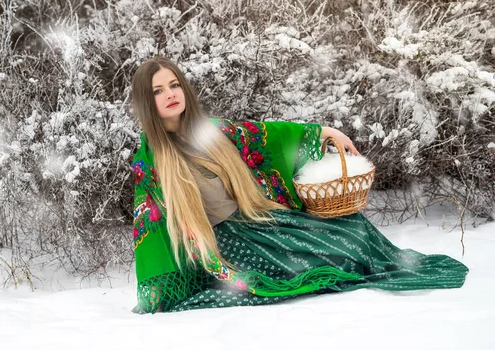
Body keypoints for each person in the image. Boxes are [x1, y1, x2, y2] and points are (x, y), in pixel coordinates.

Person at [130, 57, 468, 314]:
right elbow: (152, 231)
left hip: (259, 220)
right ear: (148, 101)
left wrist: (323, 132)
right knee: (333, 258)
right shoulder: (152, 160)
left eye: (174, 85)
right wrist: (163, 290)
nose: (170, 94)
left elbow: (267, 136)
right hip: (231, 245)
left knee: (352, 228)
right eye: (158, 91)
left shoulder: (209, 131)